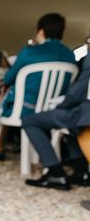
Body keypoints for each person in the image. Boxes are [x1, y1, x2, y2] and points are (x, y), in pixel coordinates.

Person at [0, 14, 76, 159]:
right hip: (53, 108)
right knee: (8, 98)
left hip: (27, 107)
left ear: (41, 31)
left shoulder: (30, 51)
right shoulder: (70, 55)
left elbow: (9, 78)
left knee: (6, 98)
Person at [23, 53, 90, 190]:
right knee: (70, 124)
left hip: (85, 113)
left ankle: (55, 173)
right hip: (83, 115)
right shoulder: (68, 54)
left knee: (30, 120)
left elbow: (80, 89)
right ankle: (81, 172)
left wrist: (62, 105)